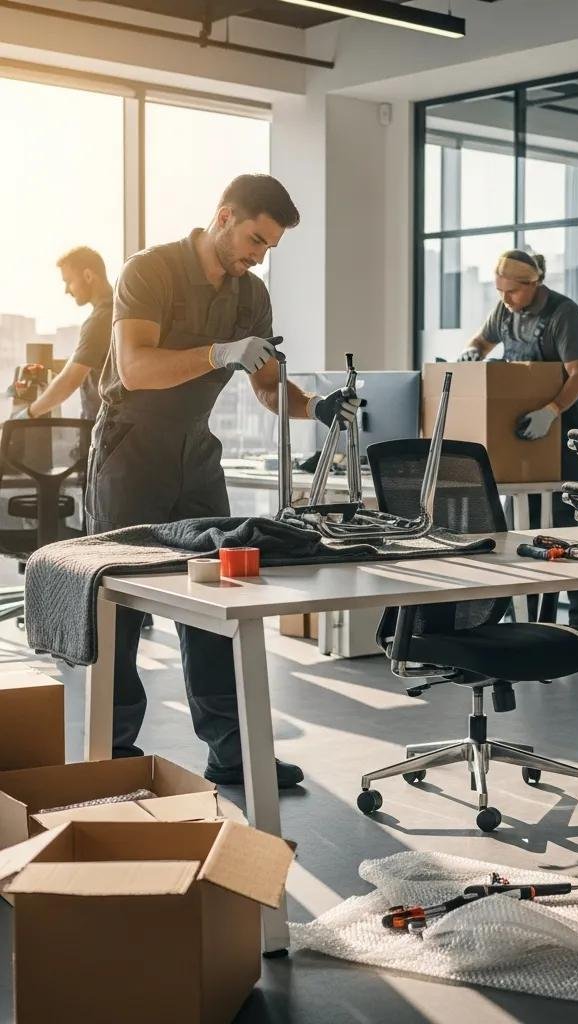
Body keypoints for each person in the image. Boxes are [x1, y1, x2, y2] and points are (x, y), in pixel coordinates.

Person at [88, 173, 359, 788]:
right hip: (131, 447)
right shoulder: (150, 271)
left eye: (267, 248)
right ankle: (114, 753)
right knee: (119, 605)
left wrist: (311, 404)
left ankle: (233, 750)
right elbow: (133, 369)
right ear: (224, 215)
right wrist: (218, 353)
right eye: (254, 240)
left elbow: (266, 387)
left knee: (217, 598)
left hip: (197, 452)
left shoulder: (250, 295)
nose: (257, 256)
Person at [458, 249, 578, 635]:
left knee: (569, 530)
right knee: (523, 529)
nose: (505, 298)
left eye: (512, 291)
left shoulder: (564, 314)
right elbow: (482, 341)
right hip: (522, 440)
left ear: (533, 284)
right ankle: (533, 620)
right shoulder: (503, 312)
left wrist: (551, 410)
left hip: (565, 435)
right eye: (499, 290)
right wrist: (473, 352)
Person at [14, 247, 113, 421]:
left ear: (88, 276)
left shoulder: (99, 321)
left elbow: (69, 381)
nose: (67, 290)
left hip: (103, 432)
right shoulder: (118, 311)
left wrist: (28, 414)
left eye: (69, 281)